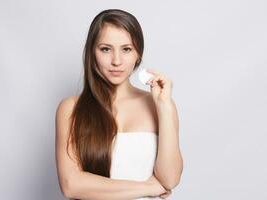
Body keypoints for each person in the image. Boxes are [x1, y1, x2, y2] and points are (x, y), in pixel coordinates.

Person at [55, 9, 183, 199]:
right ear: (92, 52)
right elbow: (70, 184)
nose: (116, 61)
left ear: (138, 54)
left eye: (126, 49)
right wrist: (149, 187)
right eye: (106, 49)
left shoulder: (161, 105)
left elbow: (170, 179)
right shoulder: (71, 108)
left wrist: (164, 107)